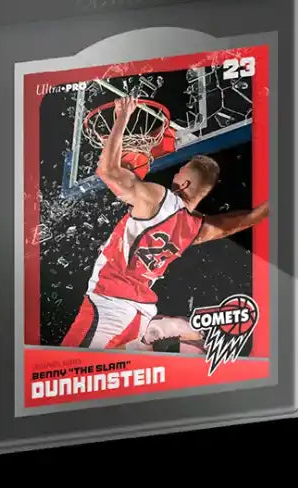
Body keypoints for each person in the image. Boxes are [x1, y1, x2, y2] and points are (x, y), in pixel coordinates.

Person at [61, 95, 268, 349]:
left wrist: (123, 116)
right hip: (139, 311)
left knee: (66, 364)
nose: (175, 172)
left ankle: (171, 329)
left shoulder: (159, 197)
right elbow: (248, 219)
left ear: (185, 183)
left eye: (179, 170)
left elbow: (107, 171)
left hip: (110, 302)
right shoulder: (196, 229)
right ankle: (167, 330)